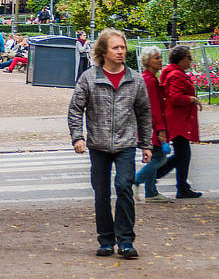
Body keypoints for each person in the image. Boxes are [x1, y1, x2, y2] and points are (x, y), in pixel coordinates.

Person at [68, 28, 152, 260]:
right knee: (101, 193)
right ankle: (106, 240)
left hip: (126, 144)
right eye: (115, 47)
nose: (120, 51)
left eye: (123, 47)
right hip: (98, 144)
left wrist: (146, 144)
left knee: (124, 187)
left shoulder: (135, 79)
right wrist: (78, 137)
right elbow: (75, 109)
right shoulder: (89, 78)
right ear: (103, 51)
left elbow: (144, 113)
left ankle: (125, 241)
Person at [156, 45, 203, 199]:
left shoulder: (174, 73)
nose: (190, 60)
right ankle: (156, 173)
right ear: (181, 59)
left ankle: (182, 187)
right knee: (182, 155)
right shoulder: (176, 75)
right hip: (177, 121)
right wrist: (191, 98)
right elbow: (174, 97)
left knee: (183, 155)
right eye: (189, 57)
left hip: (178, 120)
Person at [132, 46, 173, 203]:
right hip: (151, 127)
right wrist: (161, 130)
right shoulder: (149, 81)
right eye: (156, 58)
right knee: (160, 158)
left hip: (147, 126)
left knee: (155, 156)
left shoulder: (148, 79)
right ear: (147, 62)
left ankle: (151, 192)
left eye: (160, 57)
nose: (160, 60)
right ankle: (136, 181)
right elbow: (153, 108)